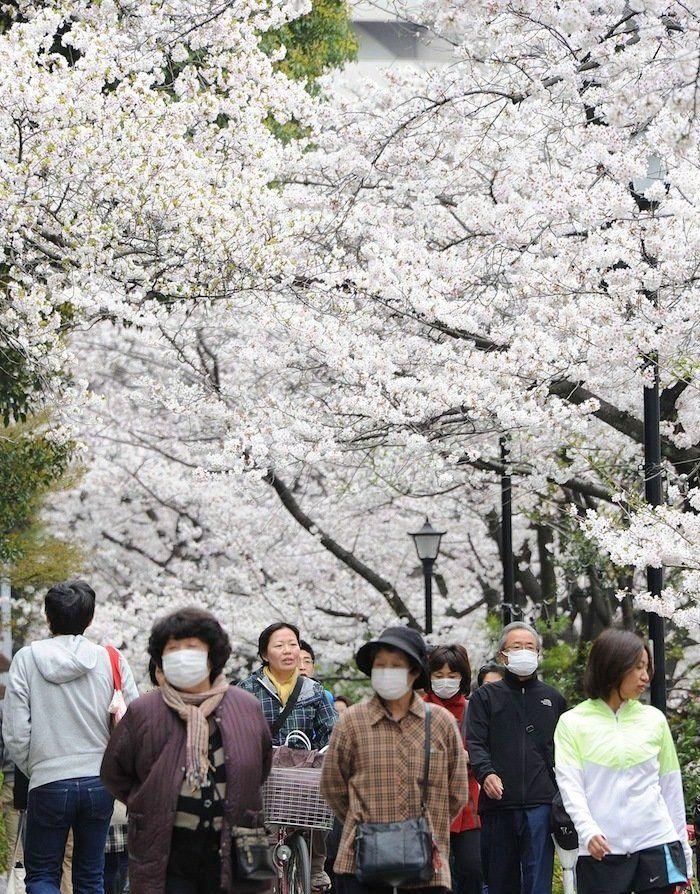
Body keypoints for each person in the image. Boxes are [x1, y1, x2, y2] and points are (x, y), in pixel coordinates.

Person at [101, 607, 272, 894]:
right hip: (166, 848)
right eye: (173, 648)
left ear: (211, 655)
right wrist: (149, 799)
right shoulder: (145, 711)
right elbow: (114, 771)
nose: (182, 654)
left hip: (235, 846)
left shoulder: (246, 706)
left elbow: (260, 765)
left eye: (191, 647)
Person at [3, 580, 138, 894]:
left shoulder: (26, 659)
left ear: (48, 618)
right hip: (98, 782)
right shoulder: (111, 659)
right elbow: (133, 721)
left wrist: (37, 766)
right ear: (89, 620)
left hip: (48, 780)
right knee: (91, 877)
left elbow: (15, 730)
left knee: (42, 876)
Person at [320, 626, 469, 894]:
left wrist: (426, 824)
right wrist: (363, 819)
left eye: (396, 665)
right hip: (359, 861)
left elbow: (457, 792)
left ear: (413, 672)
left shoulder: (440, 723)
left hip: (426, 864)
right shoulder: (351, 722)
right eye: (380, 665)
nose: (387, 671)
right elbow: (332, 786)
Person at [555, 628, 692, 894]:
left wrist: (683, 850)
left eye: (647, 667)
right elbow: (571, 787)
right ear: (613, 666)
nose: (646, 676)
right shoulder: (572, 723)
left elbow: (671, 788)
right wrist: (587, 831)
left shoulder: (654, 720)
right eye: (638, 667)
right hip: (600, 849)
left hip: (656, 843)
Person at [466, 621, 566, 894]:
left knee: (538, 882)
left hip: (540, 804)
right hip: (498, 805)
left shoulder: (553, 699)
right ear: (503, 655)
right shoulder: (484, 698)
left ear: (538, 654)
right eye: (516, 647)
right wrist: (486, 773)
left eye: (530, 647)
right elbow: (475, 742)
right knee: (500, 881)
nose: (524, 652)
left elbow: (564, 750)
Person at [239, 623, 336, 892]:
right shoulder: (248, 689)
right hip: (265, 774)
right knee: (264, 834)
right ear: (264, 654)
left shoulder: (313, 691)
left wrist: (329, 749)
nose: (288, 651)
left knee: (320, 811)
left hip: (303, 773)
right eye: (279, 645)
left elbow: (331, 728)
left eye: (292, 644)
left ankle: (315, 866)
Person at [426, 645, 481, 894]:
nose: (445, 681)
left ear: (463, 677)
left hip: (467, 804)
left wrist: (472, 758)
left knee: (472, 869)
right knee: (434, 874)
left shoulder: (473, 709)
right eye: (438, 676)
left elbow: (485, 751)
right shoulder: (418, 709)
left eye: (452, 675)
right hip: (427, 805)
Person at [299, 640, 335, 705]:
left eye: (307, 661)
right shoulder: (279, 695)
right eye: (297, 662)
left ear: (313, 667)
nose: (302, 667)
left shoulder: (325, 696)